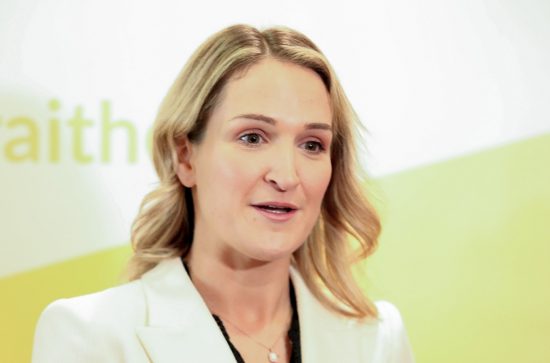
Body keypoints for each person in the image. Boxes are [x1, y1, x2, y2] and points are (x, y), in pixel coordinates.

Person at [32, 24, 415, 363]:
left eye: (312, 144)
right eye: (252, 137)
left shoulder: (377, 339)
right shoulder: (90, 336)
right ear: (185, 157)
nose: (286, 175)